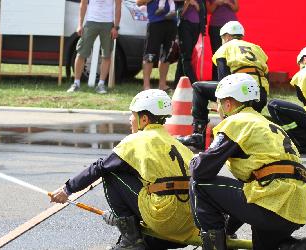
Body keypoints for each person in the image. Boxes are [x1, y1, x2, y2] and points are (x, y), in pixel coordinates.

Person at [189, 73, 306, 250]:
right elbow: (247, 187)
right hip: (294, 207)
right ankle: (302, 246)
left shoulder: (236, 122)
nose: (217, 109)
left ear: (228, 104)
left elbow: (201, 170)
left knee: (198, 185)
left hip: (270, 200)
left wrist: (195, 160)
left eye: (218, 103)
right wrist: (228, 231)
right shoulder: (267, 124)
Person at [50, 89, 198, 249]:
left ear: (144, 119)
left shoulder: (136, 140)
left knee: (111, 172)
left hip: (164, 219)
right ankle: (135, 237)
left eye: (132, 115)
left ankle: (131, 240)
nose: (130, 119)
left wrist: (67, 189)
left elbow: (99, 167)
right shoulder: (178, 144)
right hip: (187, 224)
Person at [178, 21, 269, 150]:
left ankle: (198, 134)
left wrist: (220, 101)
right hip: (260, 96)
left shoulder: (225, 48)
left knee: (198, 87)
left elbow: (224, 81)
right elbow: (266, 76)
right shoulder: (257, 49)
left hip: (239, 95)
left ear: (227, 36)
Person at [67, 0, 121, 94]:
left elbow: (118, 6)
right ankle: (76, 83)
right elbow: (83, 4)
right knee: (81, 53)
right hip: (91, 22)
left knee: (106, 55)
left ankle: (101, 84)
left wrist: (116, 27)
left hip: (108, 23)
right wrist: (80, 24)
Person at [137, 0, 177, 91]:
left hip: (172, 22)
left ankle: (162, 85)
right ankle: (146, 86)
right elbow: (139, 2)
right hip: (155, 22)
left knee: (167, 55)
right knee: (149, 55)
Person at [173, 0, 206, 85]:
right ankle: (195, 83)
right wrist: (188, 2)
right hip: (184, 24)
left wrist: (197, 5)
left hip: (197, 26)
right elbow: (180, 13)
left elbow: (202, 10)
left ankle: (176, 83)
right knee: (186, 57)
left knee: (184, 56)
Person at [207, 0, 239, 81]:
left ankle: (232, 79)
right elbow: (209, 10)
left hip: (232, 27)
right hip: (215, 26)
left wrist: (228, 2)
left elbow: (236, 8)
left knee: (232, 53)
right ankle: (216, 80)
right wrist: (216, 3)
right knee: (217, 54)